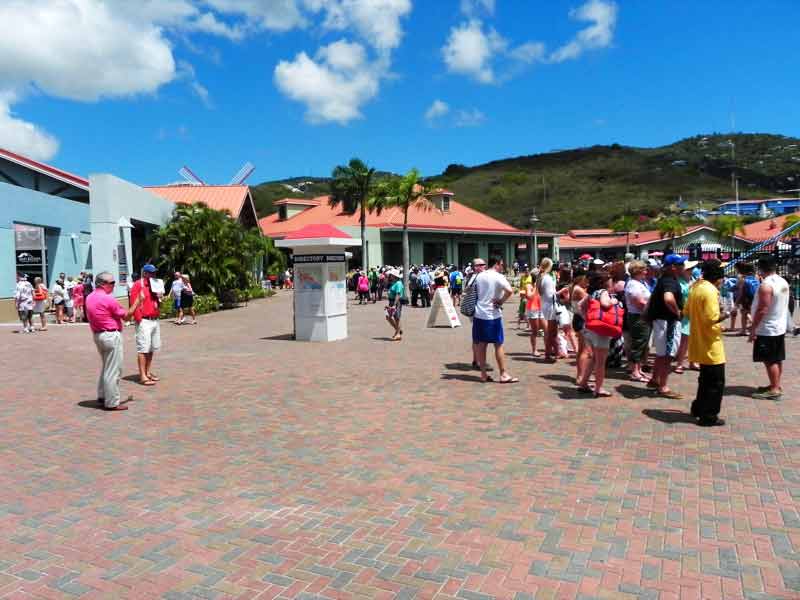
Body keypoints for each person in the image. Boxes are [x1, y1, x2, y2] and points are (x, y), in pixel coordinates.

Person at [86, 272, 144, 411]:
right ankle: (111, 402)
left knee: (107, 367)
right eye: (111, 283)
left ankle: (102, 395)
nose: (114, 285)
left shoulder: (90, 297)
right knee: (113, 370)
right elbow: (127, 317)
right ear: (102, 284)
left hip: (98, 335)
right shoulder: (107, 299)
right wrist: (137, 301)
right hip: (110, 335)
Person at [684, 260, 728, 426]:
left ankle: (698, 408)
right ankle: (709, 416)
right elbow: (712, 318)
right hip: (711, 342)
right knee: (716, 382)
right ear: (718, 277)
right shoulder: (710, 291)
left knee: (705, 379)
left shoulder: (695, 287)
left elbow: (686, 311)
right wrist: (728, 313)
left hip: (698, 340)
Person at [750, 255, 790, 400]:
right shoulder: (782, 281)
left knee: (770, 360)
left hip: (768, 328)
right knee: (776, 358)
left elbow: (763, 309)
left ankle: (774, 389)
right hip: (778, 325)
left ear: (761, 268)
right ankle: (776, 384)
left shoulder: (766, 285)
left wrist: (753, 328)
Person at [472, 256, 518, 384]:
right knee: (498, 344)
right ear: (497, 264)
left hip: (479, 313)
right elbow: (509, 291)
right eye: (502, 264)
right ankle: (503, 373)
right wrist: (501, 301)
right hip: (492, 314)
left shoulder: (480, 276)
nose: (502, 266)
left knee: (481, 344)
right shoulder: (498, 276)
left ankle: (483, 374)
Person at [647, 254, 685, 399]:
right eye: (680, 265)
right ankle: (663, 386)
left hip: (661, 321)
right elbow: (668, 298)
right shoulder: (670, 281)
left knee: (661, 353)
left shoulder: (664, 280)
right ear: (673, 267)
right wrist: (678, 312)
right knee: (667, 355)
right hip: (668, 322)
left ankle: (655, 380)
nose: (683, 267)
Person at [577, 272, 619, 397]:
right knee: (601, 362)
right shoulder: (603, 292)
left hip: (590, 329)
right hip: (601, 330)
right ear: (605, 282)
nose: (612, 283)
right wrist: (614, 301)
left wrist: (587, 318)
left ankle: (584, 383)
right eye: (611, 281)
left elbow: (580, 306)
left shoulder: (591, 293)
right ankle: (599, 388)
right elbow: (606, 304)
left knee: (593, 358)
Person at [129, 264, 163, 386]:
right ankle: (142, 375)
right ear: (145, 273)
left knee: (152, 348)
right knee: (143, 348)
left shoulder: (156, 285)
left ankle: (148, 372)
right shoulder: (139, 284)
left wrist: (160, 299)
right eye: (151, 273)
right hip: (144, 320)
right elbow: (133, 302)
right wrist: (139, 319)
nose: (154, 275)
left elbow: (157, 302)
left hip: (154, 319)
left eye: (154, 273)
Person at [624, 261, 651, 382]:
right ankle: (634, 371)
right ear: (638, 271)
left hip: (643, 316)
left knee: (643, 343)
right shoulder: (633, 284)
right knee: (638, 343)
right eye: (644, 270)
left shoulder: (639, 283)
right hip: (638, 317)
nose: (646, 272)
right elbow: (639, 303)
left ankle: (638, 369)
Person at [466, 258, 489, 369]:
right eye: (482, 264)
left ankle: (476, 359)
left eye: (484, 264)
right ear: (477, 266)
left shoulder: (472, 277)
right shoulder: (478, 277)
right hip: (479, 310)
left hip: (475, 310)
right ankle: (479, 361)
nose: (484, 266)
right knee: (480, 338)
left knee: (477, 337)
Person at [536, 258, 558, 360]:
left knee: (550, 331)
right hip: (550, 305)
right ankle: (550, 353)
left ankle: (551, 352)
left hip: (545, 304)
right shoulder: (547, 278)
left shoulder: (540, 277)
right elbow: (551, 295)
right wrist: (560, 293)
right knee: (551, 331)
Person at [525, 274, 546, 357]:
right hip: (533, 309)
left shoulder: (542, 286)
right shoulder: (529, 286)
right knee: (535, 331)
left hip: (541, 308)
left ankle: (547, 348)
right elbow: (529, 296)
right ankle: (534, 350)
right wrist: (536, 287)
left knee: (546, 329)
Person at [385, 269, 404, 341]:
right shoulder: (394, 282)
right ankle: (398, 330)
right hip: (391, 302)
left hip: (396, 302)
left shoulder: (398, 283)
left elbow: (398, 294)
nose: (390, 276)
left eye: (391, 275)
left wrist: (394, 305)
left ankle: (398, 333)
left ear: (394, 276)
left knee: (396, 318)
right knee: (388, 317)